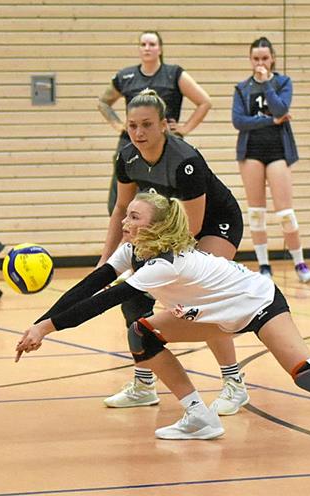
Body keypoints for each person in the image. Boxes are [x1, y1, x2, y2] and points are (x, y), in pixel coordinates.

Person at [16, 193, 310, 459]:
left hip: (258, 303)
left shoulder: (162, 265)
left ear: (155, 227)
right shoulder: (133, 251)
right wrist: (40, 323)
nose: (125, 220)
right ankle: (199, 417)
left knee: (307, 374)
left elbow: (102, 302)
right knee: (142, 332)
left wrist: (45, 330)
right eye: (127, 214)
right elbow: (92, 283)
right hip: (215, 315)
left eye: (134, 216)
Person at [98, 89, 249, 415]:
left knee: (201, 297)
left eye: (147, 125)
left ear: (164, 125)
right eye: (133, 125)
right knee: (134, 297)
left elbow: (191, 228)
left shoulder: (185, 161)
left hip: (213, 224)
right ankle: (143, 384)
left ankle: (234, 383)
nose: (138, 133)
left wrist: (155, 268)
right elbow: (122, 208)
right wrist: (105, 264)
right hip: (162, 230)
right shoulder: (127, 157)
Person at [98, 31, 212, 216]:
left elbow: (204, 101)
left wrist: (184, 129)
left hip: (164, 145)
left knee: (162, 201)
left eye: (151, 44)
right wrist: (118, 125)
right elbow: (103, 102)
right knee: (121, 202)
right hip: (131, 144)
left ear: (160, 49)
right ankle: (126, 242)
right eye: (143, 45)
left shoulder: (173, 74)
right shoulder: (126, 76)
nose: (147, 48)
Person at [232, 37, 310, 283]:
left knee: (285, 213)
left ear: (272, 59)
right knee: (257, 212)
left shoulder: (282, 82)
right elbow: (239, 121)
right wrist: (269, 121)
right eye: (256, 58)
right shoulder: (242, 88)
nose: (260, 62)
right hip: (251, 153)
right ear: (250, 60)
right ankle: (264, 266)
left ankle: (300, 264)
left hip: (278, 151)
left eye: (265, 58)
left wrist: (267, 83)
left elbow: (281, 109)